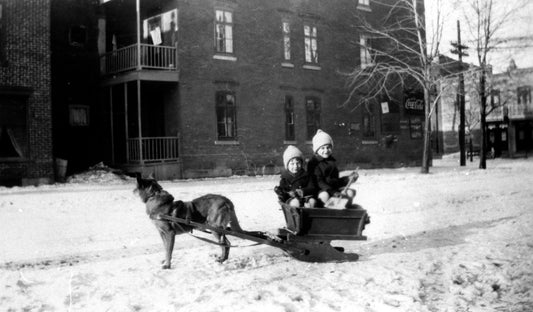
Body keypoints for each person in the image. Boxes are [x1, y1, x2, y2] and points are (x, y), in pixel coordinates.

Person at [307, 129, 357, 207]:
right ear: (317, 150)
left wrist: (348, 178)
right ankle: (324, 215)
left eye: (328, 147)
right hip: (320, 191)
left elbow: (335, 181)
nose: (326, 150)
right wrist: (332, 192)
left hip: (334, 190)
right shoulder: (314, 163)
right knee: (325, 195)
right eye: (322, 148)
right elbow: (319, 182)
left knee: (349, 192)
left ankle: (346, 214)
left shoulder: (331, 162)